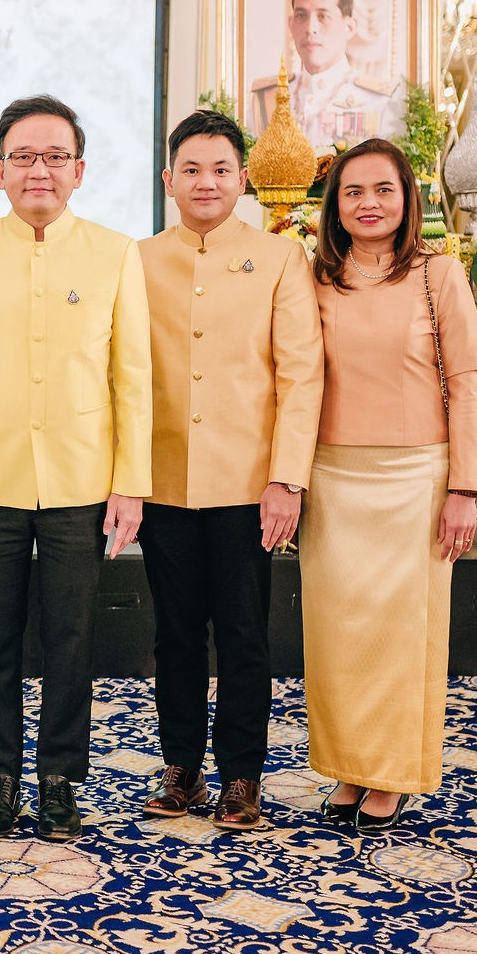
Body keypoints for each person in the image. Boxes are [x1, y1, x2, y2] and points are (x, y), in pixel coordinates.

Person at [0, 95, 151, 843]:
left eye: (55, 156)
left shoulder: (117, 253)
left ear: (80, 170)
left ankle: (59, 779)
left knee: (70, 640)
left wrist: (129, 484)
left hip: (83, 481)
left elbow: (132, 379)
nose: (39, 170)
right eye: (23, 156)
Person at [137, 110, 323, 831]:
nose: (205, 181)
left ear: (242, 179)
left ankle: (242, 776)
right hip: (162, 480)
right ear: (168, 180)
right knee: (175, 634)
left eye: (220, 169)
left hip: (251, 485)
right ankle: (180, 767)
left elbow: (300, 376)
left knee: (244, 635)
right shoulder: (141, 259)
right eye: (191, 169)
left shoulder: (281, 259)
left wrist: (288, 478)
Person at [302, 138, 477, 833]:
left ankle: (392, 777)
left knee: (402, 636)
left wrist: (464, 488)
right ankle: (350, 768)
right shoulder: (317, 275)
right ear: (335, 205)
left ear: (408, 198)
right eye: (353, 192)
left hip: (415, 478)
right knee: (340, 635)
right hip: (333, 475)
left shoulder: (439, 274)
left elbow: (468, 382)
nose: (368, 204)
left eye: (383, 189)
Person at [248, 0, 403, 152]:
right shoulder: (265, 98)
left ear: (349, 27)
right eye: (301, 15)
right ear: (291, 24)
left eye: (323, 16)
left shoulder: (380, 100)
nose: (310, 28)